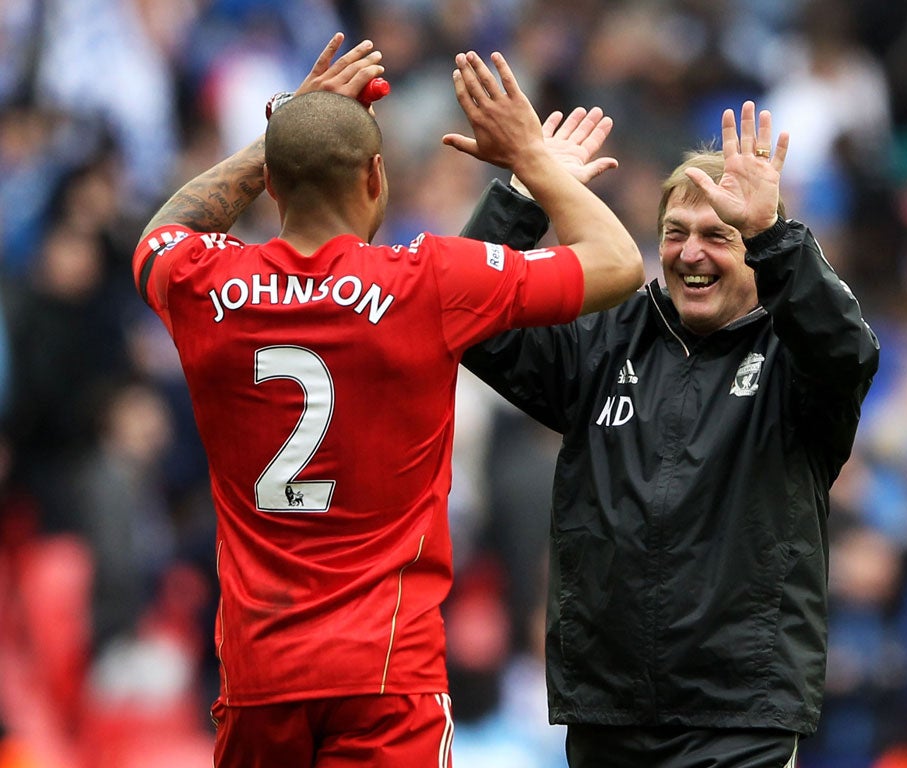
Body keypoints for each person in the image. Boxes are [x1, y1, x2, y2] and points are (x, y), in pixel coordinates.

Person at [131, 33, 644, 768]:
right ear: (376, 177)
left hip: (258, 675)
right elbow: (618, 264)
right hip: (385, 674)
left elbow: (162, 232)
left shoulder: (204, 285)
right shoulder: (426, 280)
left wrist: (284, 124)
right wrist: (532, 159)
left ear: (273, 185)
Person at [456, 101, 881, 767]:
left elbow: (846, 349)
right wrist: (525, 193)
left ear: (757, 250)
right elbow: (471, 320)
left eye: (719, 235)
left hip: (738, 719)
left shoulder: (796, 364)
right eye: (675, 232)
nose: (690, 253)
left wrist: (774, 234)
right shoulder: (602, 341)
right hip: (607, 711)